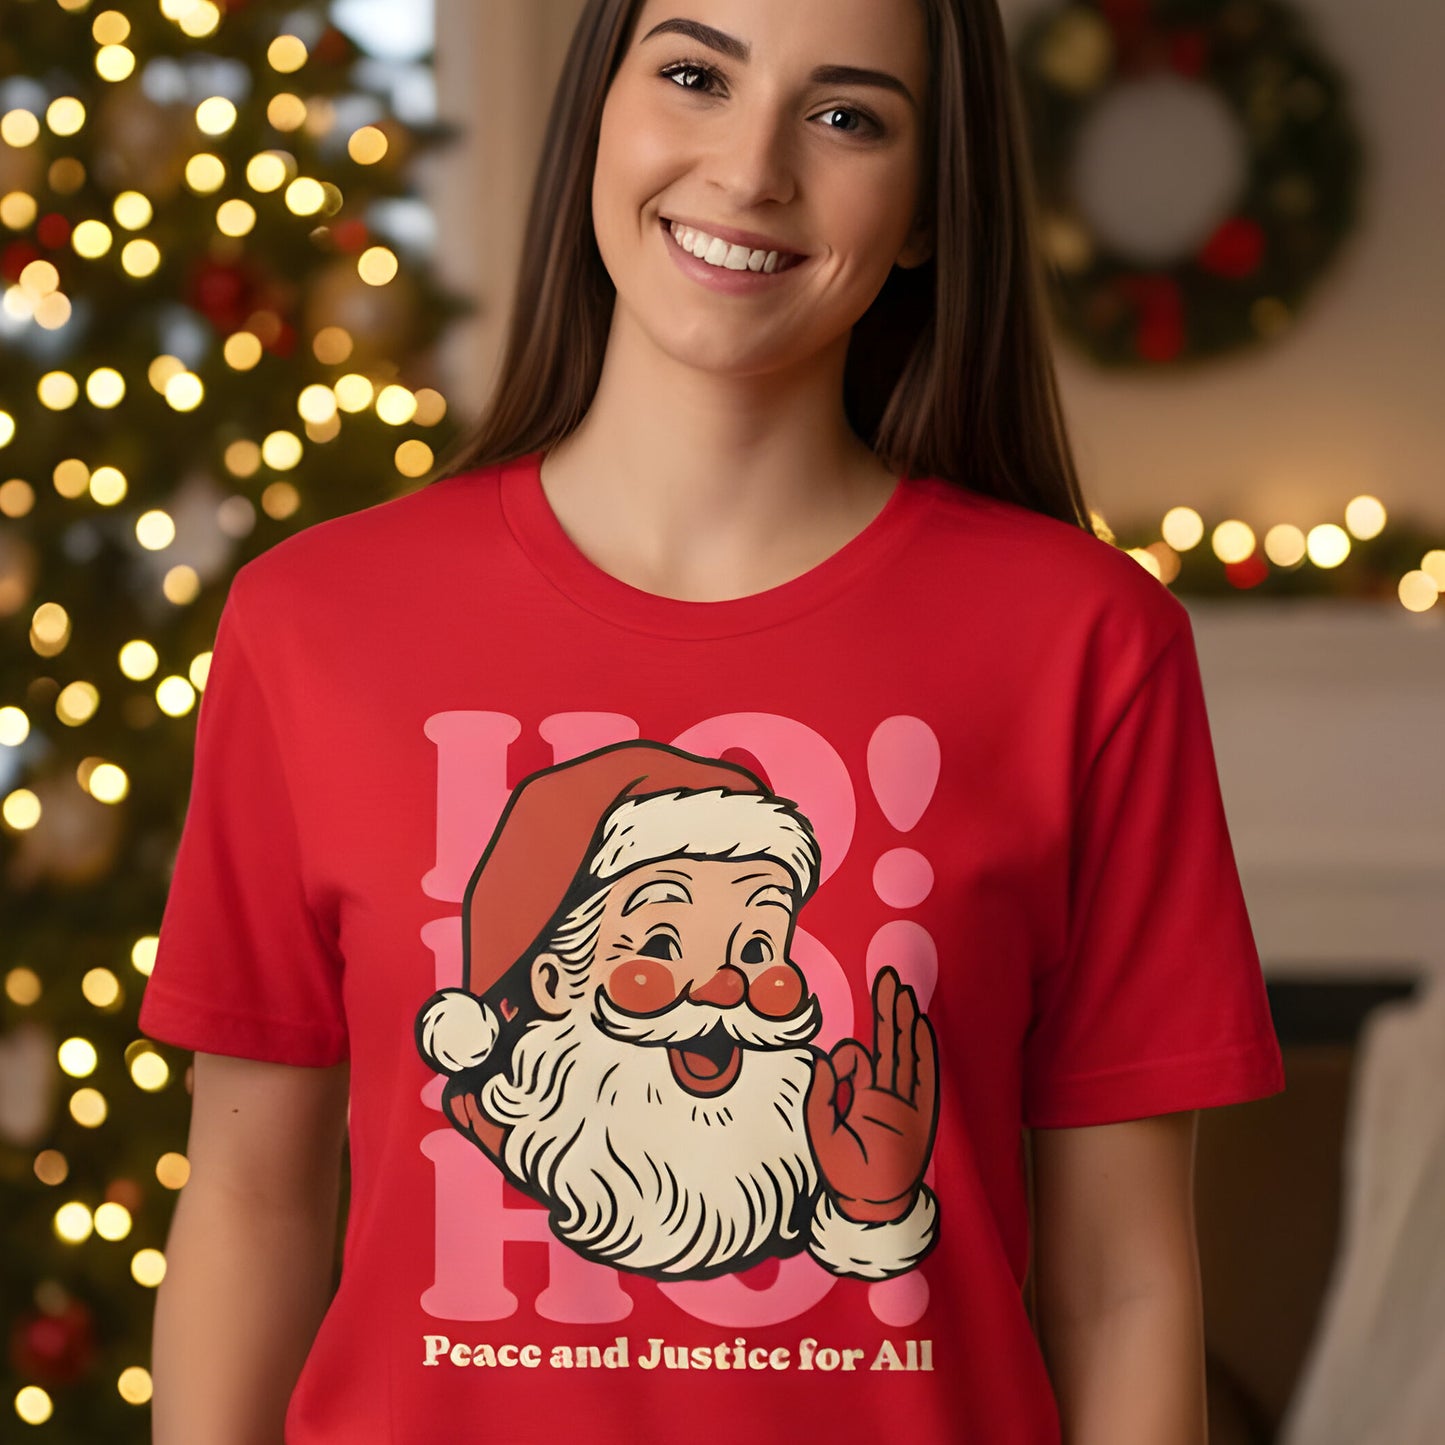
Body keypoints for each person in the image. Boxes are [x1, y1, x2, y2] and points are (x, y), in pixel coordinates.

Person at [140, 0, 1287, 1441]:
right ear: (599, 125)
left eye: (847, 115)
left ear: (927, 210)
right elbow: (250, 1197)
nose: (750, 171)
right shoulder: (312, 624)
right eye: (692, 76)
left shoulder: (1088, 644)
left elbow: (1120, 1279)